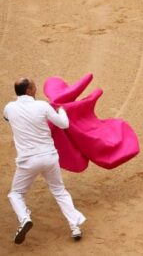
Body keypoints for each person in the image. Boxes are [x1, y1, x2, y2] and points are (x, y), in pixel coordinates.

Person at [3, 77, 87, 243]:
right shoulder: (42, 106)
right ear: (28, 90)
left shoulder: (9, 108)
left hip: (27, 162)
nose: (36, 88)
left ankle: (24, 217)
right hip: (49, 158)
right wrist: (61, 110)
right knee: (59, 191)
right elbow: (63, 124)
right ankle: (75, 226)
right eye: (33, 86)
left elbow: (7, 118)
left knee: (16, 193)